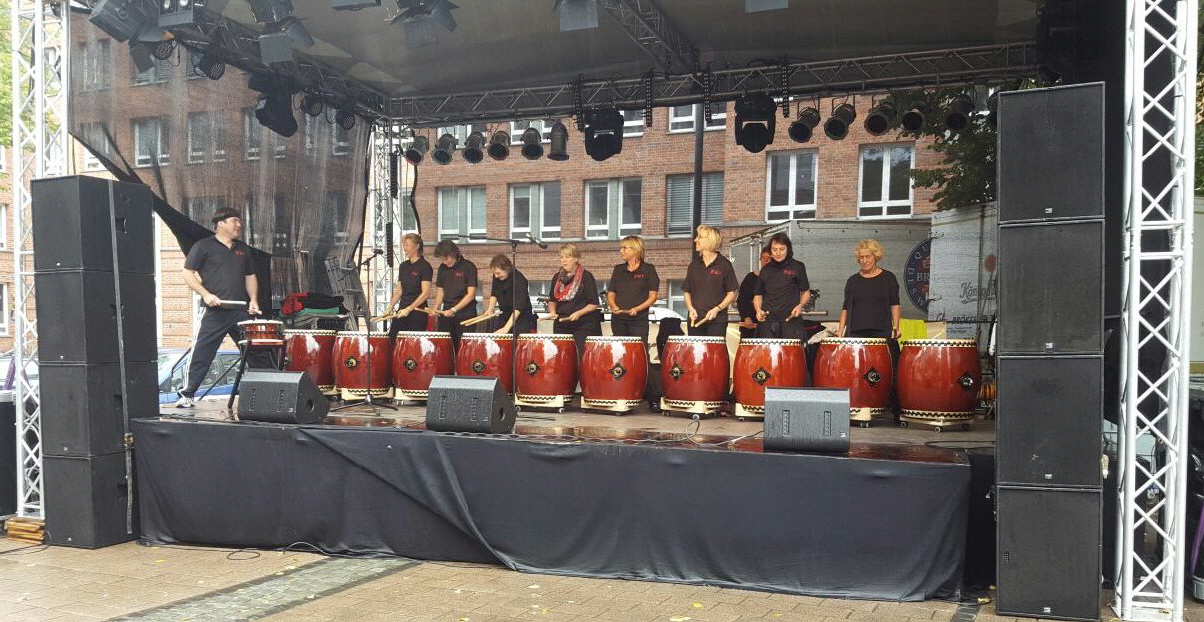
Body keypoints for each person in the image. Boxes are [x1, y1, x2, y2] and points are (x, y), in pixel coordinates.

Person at [175, 208, 264, 408]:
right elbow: (187, 273)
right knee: (202, 352)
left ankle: (265, 392)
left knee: (256, 351)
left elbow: (250, 276)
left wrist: (253, 300)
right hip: (214, 312)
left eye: (239, 221)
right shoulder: (203, 246)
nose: (239, 225)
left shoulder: (243, 249)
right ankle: (187, 394)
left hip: (240, 311)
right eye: (234, 221)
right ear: (220, 223)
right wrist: (206, 295)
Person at [837, 239, 901, 339]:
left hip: (882, 332)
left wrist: (896, 327)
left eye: (868, 256)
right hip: (855, 334)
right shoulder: (852, 281)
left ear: (875, 257)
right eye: (861, 257)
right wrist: (840, 330)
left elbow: (895, 305)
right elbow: (845, 308)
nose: (864, 261)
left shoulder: (889, 278)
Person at [547, 244, 602, 357]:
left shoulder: (586, 277)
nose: (563, 260)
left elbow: (593, 304)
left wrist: (578, 313)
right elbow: (552, 300)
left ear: (576, 258)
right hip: (562, 323)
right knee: (562, 357)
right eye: (562, 257)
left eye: (567, 257)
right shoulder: (557, 277)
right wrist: (552, 312)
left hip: (583, 324)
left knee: (580, 356)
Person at [754, 232, 811, 340]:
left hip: (790, 320)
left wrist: (800, 305)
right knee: (767, 351)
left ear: (788, 249)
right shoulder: (765, 270)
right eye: (774, 249)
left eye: (782, 249)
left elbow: (805, 292)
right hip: (768, 321)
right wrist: (758, 310)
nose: (778, 253)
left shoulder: (798, 267)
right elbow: (758, 295)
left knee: (790, 351)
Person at [683, 225, 739, 337]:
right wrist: (690, 308)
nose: (695, 240)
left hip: (717, 321)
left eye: (699, 237)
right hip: (695, 319)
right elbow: (686, 291)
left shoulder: (724, 265)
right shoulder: (694, 264)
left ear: (710, 240)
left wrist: (717, 309)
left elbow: (731, 293)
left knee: (714, 349)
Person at [607, 236, 659, 344]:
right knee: (620, 350)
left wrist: (637, 309)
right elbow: (611, 293)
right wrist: (613, 306)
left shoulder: (649, 269)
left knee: (638, 350)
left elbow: (653, 297)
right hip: (618, 320)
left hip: (638, 320)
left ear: (636, 249)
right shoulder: (618, 269)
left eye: (624, 248)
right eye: (621, 248)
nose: (621, 251)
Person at [431, 239, 478, 351]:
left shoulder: (469, 267)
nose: (444, 262)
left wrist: (454, 309)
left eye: (446, 259)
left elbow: (471, 294)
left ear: (453, 253)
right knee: (444, 349)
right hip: (446, 313)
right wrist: (436, 307)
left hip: (466, 314)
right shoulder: (442, 268)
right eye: (442, 259)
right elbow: (440, 291)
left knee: (464, 350)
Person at [386, 233, 433, 336]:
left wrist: (409, 308)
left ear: (417, 246)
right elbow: (399, 291)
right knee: (392, 338)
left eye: (407, 245)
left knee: (412, 343)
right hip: (402, 309)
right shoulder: (403, 266)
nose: (405, 248)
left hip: (417, 311)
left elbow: (425, 294)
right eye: (404, 245)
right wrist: (390, 306)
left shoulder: (425, 267)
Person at [482, 254, 536, 335]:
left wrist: (506, 328)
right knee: (496, 336)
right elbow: (494, 292)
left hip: (521, 316)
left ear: (507, 269)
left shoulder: (519, 280)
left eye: (498, 273)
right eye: (494, 273)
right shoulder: (497, 276)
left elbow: (519, 307)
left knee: (516, 338)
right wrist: (490, 308)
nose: (496, 276)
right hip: (505, 313)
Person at [737, 246, 772, 339]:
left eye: (769, 258)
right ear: (760, 259)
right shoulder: (751, 277)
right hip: (751, 323)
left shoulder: (778, 280)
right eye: (763, 257)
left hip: (771, 324)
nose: (766, 260)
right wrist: (746, 317)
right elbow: (742, 300)